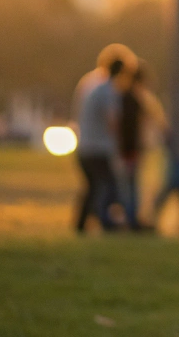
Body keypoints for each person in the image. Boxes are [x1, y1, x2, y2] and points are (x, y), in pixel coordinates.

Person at [73, 49, 130, 233]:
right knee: (110, 187)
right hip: (98, 149)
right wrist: (120, 145)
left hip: (85, 146)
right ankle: (107, 224)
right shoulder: (108, 90)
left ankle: (81, 225)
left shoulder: (92, 85)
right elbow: (112, 121)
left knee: (92, 188)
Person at [116, 61, 167, 231]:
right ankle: (132, 221)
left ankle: (131, 219)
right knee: (130, 186)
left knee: (130, 185)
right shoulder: (133, 98)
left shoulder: (125, 96)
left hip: (131, 148)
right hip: (131, 149)